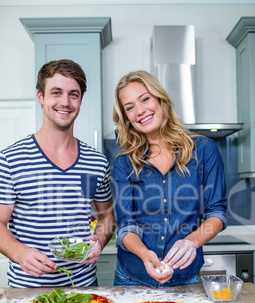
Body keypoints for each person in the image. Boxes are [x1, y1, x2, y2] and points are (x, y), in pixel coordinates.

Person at [0, 59, 116, 287]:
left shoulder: (96, 162)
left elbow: (106, 216)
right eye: (56, 92)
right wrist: (20, 253)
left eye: (74, 94)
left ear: (81, 100)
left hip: (84, 290)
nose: (65, 102)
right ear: (40, 97)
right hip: (29, 292)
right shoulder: (10, 160)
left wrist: (99, 241)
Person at [112, 70, 227, 288]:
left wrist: (191, 242)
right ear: (126, 118)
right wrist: (145, 254)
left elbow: (217, 213)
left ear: (159, 99)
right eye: (130, 107)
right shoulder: (124, 163)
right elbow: (127, 226)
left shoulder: (203, 151)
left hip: (185, 277)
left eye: (145, 99)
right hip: (132, 277)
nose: (140, 111)